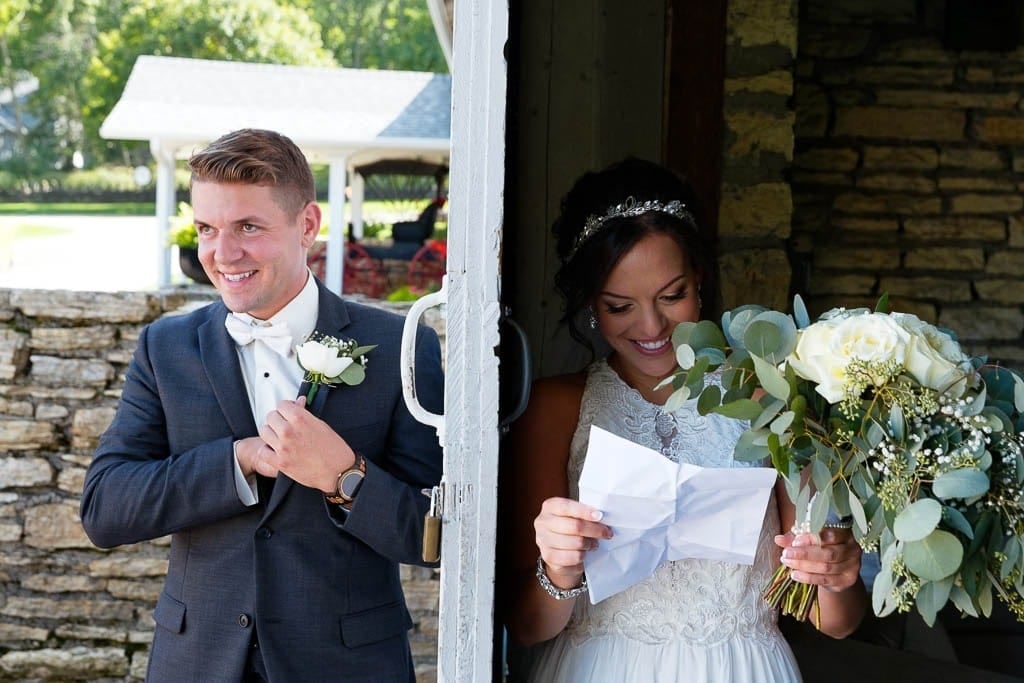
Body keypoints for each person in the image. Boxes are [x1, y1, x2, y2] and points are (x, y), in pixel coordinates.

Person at [79, 128, 444, 682]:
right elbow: (105, 509)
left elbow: (434, 535)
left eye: (248, 227)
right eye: (207, 228)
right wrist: (239, 461)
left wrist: (344, 477)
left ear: (307, 226)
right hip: (196, 662)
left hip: (346, 665)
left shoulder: (401, 347)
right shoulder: (166, 348)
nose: (222, 254)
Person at [499, 158, 866, 682]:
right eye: (619, 306)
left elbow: (835, 621)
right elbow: (528, 626)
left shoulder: (772, 398)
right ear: (590, 305)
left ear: (700, 279)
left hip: (741, 668)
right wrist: (559, 569)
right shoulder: (556, 409)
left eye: (672, 296)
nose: (652, 326)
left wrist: (835, 575)